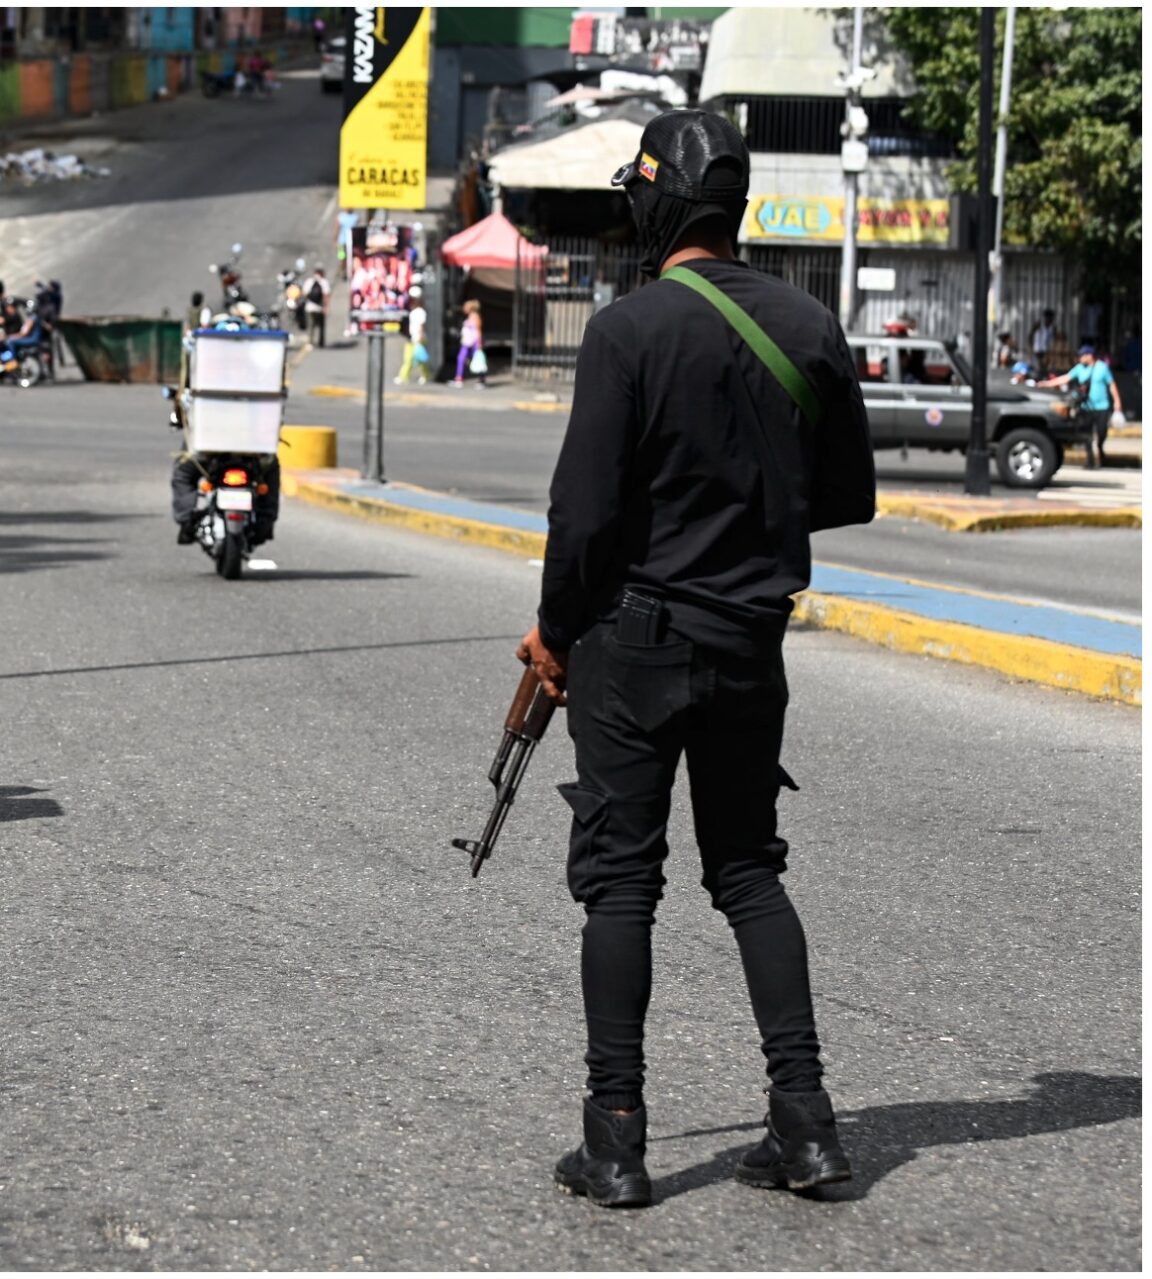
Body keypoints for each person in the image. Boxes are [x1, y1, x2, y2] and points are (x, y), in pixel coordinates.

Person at [523, 110, 876, 1210]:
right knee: (750, 874)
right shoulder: (811, 325)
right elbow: (849, 497)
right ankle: (808, 1129)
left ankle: (617, 1142)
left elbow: (581, 517)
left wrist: (551, 632)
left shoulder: (629, 330)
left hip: (632, 642)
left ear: (654, 200)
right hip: (749, 642)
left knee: (622, 884)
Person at [1039, 344, 1121, 468]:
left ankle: (1100, 447)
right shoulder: (1079, 368)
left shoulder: (1102, 368)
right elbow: (1065, 378)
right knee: (1086, 434)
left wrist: (1117, 401)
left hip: (1102, 407)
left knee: (1102, 432)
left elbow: (1111, 384)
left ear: (1089, 356)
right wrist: (1048, 384)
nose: (1080, 358)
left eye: (1082, 355)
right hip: (1085, 406)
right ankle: (1090, 460)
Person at [396, 288, 429, 384]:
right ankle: (425, 375)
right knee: (415, 358)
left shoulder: (420, 311)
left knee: (413, 358)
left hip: (417, 338)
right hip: (412, 338)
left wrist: (419, 337)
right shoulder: (414, 311)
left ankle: (404, 376)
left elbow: (421, 326)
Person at [452, 299, 483, 387]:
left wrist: (479, 343)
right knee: (461, 358)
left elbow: (478, 330)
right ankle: (459, 378)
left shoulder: (476, 317)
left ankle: (481, 380)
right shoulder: (469, 317)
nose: (464, 308)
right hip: (466, 342)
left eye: (466, 306)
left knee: (478, 360)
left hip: (474, 342)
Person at [302, 268, 330, 348]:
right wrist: (326, 307)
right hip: (320, 308)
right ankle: (321, 342)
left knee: (311, 325)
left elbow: (304, 293)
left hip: (310, 307)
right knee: (321, 325)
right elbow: (326, 295)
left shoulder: (309, 281)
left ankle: (310, 342)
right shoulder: (324, 282)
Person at [1030, 309, 1057, 377]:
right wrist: (1031, 347)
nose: (1049, 319)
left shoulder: (1053, 328)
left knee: (1045, 366)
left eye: (1051, 318)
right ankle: (1039, 377)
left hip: (1047, 350)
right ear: (1045, 317)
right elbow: (1031, 335)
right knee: (1038, 366)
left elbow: (1054, 339)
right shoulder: (1038, 325)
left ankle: (1043, 378)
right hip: (1038, 349)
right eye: (1048, 317)